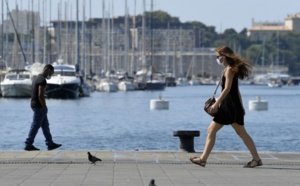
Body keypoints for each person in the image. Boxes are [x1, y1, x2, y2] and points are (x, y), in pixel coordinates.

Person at [189, 46, 262, 168]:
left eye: (219, 56)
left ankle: (203, 159)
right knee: (241, 132)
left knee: (212, 130)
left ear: (225, 56)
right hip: (234, 105)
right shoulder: (230, 69)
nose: (217, 59)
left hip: (228, 106)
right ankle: (256, 159)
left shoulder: (229, 70)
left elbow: (228, 89)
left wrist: (217, 103)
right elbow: (236, 90)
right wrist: (241, 107)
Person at [24, 64, 62, 151]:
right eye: (51, 73)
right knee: (35, 125)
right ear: (48, 70)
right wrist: (44, 107)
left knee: (45, 126)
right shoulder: (42, 80)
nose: (51, 75)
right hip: (39, 106)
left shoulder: (37, 78)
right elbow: (40, 95)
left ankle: (50, 143)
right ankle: (28, 144)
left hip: (34, 104)